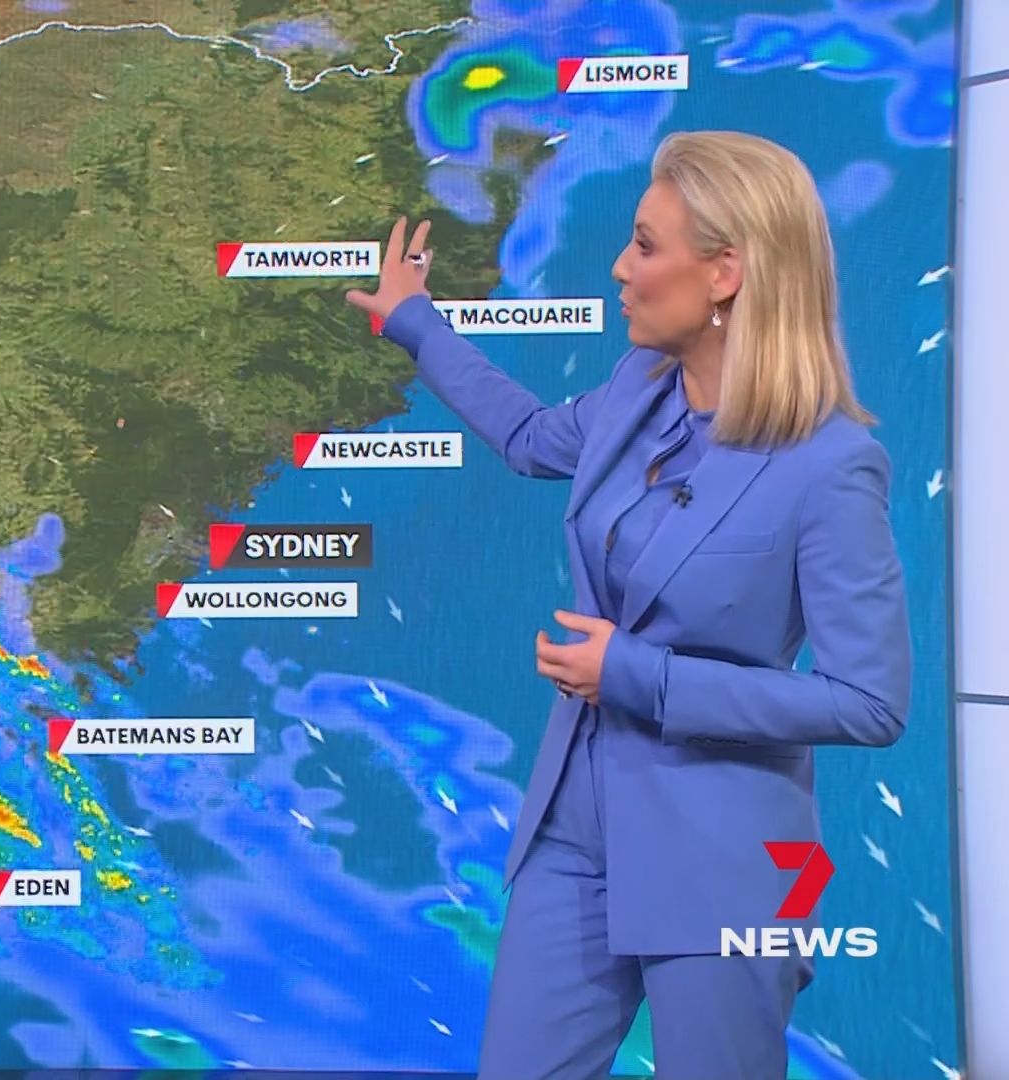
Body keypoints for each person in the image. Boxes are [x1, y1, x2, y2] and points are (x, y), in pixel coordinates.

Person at [345, 130, 910, 1079]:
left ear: (726, 272)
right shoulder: (636, 392)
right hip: (575, 827)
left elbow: (869, 702)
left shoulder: (830, 465)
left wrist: (636, 676)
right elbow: (529, 436)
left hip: (724, 858)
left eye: (645, 245)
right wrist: (417, 324)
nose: (619, 266)